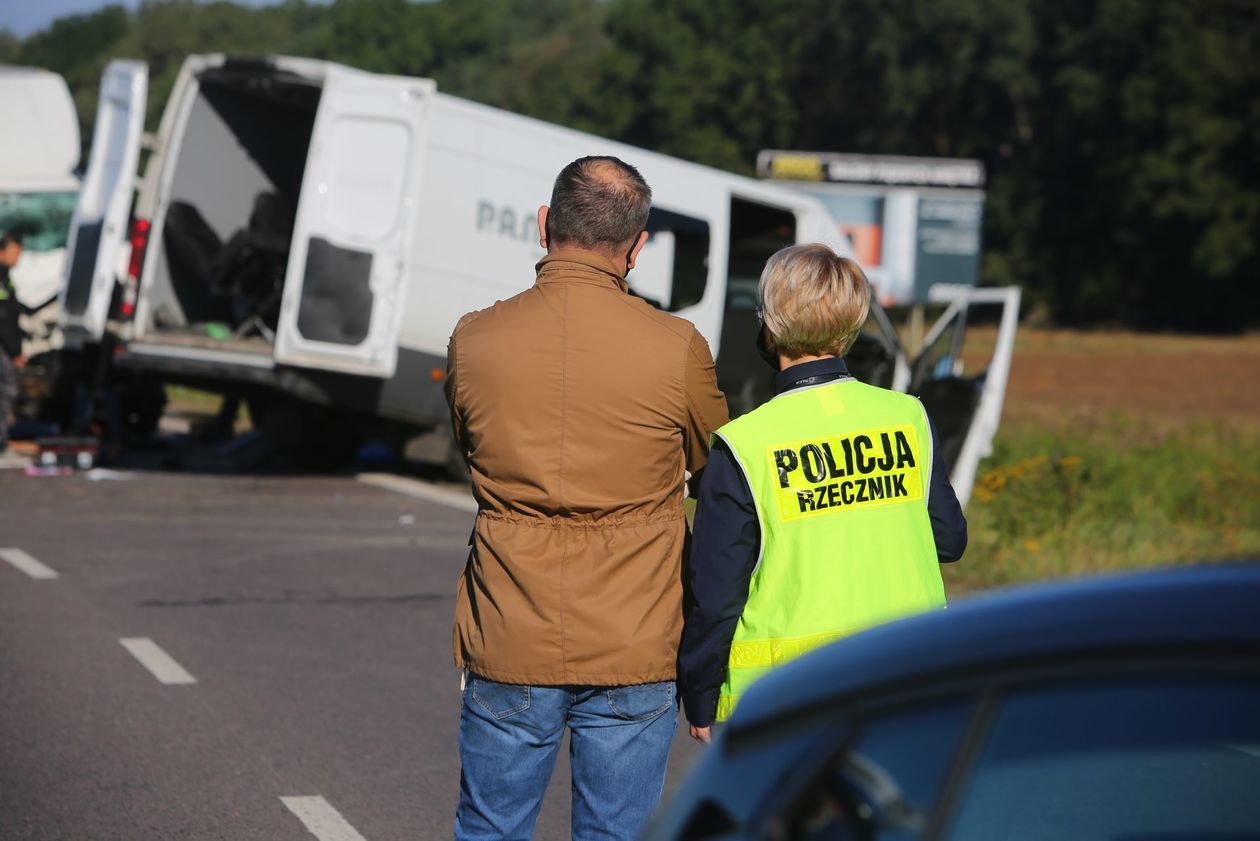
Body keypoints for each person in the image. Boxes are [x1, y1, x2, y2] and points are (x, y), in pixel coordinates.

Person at [445, 156, 729, 841]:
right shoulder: (677, 346)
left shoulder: (474, 338)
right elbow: (715, 465)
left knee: (490, 829)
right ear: (638, 246)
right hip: (636, 637)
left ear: (545, 225)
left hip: (510, 628)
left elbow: (470, 445)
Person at [679, 243, 968, 742]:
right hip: (907, 676)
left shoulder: (745, 443)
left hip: (783, 697)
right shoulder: (908, 416)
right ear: (851, 326)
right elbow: (949, 540)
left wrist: (701, 694)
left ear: (768, 326)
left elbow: (716, 593)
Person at [0, 232, 26, 453]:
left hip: (6, 347)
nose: (18, 258)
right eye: (14, 253)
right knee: (5, 393)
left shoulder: (7, 278)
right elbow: (3, 319)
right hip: (3, 348)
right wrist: (14, 350)